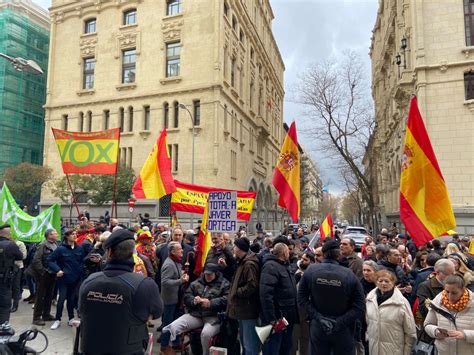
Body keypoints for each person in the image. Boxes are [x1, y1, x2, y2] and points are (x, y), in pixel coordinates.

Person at [79, 229, 163, 355]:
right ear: (133, 252)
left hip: (92, 347)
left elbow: (81, 311)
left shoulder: (89, 281)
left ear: (109, 252)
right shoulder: (145, 284)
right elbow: (156, 313)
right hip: (128, 349)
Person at [297, 239, 365, 355]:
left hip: (321, 327)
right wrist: (339, 322)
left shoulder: (311, 271)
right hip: (341, 328)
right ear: (338, 254)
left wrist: (319, 318)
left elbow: (301, 299)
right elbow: (360, 305)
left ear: (323, 254)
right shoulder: (349, 274)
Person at [161, 263, 230, 355]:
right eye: (206, 274)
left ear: (216, 273)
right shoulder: (197, 282)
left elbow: (227, 299)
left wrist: (210, 303)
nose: (207, 276)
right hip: (196, 314)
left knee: (206, 334)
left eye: (210, 274)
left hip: (214, 317)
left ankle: (205, 353)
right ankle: (169, 347)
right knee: (173, 326)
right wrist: (193, 301)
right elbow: (187, 296)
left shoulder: (224, 284)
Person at [260, 243, 299, 355]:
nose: (289, 253)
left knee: (284, 347)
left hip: (286, 318)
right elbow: (266, 295)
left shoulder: (284, 266)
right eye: (288, 251)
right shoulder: (270, 267)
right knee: (272, 348)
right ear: (284, 253)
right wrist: (272, 319)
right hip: (276, 319)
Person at [366, 269, 417, 355]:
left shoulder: (401, 303)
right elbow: (368, 322)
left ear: (393, 283)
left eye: (386, 281)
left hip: (394, 350)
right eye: (380, 281)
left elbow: (410, 331)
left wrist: (407, 351)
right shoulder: (370, 300)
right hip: (374, 348)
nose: (383, 283)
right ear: (376, 282)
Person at [424, 274, 474, 354]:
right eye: (447, 292)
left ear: (463, 289)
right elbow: (427, 325)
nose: (450, 296)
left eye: (454, 293)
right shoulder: (437, 302)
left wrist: (465, 335)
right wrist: (435, 331)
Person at [227, 237, 260, 355]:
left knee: (249, 343)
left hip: (248, 310)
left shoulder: (249, 264)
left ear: (240, 248)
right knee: (244, 343)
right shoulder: (242, 261)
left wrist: (237, 292)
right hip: (242, 309)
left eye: (235, 246)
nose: (233, 248)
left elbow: (252, 285)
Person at [47, 230, 86, 329]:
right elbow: (49, 260)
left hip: (75, 278)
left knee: (71, 299)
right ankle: (57, 319)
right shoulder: (61, 249)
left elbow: (82, 261)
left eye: (75, 234)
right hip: (63, 278)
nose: (75, 236)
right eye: (72, 234)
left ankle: (71, 319)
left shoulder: (79, 248)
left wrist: (80, 270)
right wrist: (58, 270)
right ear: (67, 236)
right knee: (61, 299)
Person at [160, 241, 189, 351]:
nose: (182, 250)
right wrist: (180, 280)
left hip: (175, 298)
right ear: (172, 251)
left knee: (175, 322)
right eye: (179, 249)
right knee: (167, 323)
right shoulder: (169, 264)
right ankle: (164, 346)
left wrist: (181, 275)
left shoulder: (175, 261)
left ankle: (176, 343)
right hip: (169, 299)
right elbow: (165, 282)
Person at [30, 229, 59, 326]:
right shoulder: (42, 245)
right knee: (41, 296)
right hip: (44, 274)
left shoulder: (56, 245)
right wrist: (43, 272)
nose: (57, 234)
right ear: (49, 235)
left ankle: (46, 314)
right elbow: (36, 260)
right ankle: (37, 317)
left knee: (49, 295)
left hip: (53, 274)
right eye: (54, 233)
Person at [0, 224, 23, 324]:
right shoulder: (11, 245)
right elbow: (20, 256)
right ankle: (3, 328)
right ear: (8, 234)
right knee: (5, 305)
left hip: (4, 276)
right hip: (4, 278)